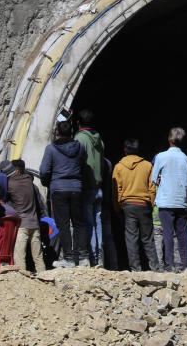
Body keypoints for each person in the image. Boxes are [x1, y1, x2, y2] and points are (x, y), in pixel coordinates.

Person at [39, 120, 88, 267]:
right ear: (72, 133)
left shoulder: (51, 149)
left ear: (57, 132)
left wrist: (48, 182)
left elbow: (44, 171)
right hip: (76, 188)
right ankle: (84, 257)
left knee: (63, 224)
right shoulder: (80, 147)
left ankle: (69, 258)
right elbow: (84, 165)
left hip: (59, 189)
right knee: (79, 223)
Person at [112, 138, 160, 272]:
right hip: (144, 205)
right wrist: (150, 203)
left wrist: (117, 208)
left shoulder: (119, 167)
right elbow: (152, 188)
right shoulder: (147, 165)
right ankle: (155, 268)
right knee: (148, 239)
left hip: (127, 206)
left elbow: (116, 190)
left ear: (125, 150)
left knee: (131, 238)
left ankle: (135, 269)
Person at [151, 127, 187, 272]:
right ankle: (184, 265)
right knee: (181, 235)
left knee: (167, 234)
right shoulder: (186, 158)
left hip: (165, 201)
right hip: (180, 202)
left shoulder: (161, 156)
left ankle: (169, 266)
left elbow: (153, 179)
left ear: (169, 139)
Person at [74, 108, 105, 266]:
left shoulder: (80, 138)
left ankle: (91, 256)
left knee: (87, 222)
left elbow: (77, 161)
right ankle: (99, 257)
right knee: (97, 222)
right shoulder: (99, 139)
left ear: (78, 122)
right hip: (98, 186)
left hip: (86, 186)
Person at [6, 159, 46, 272]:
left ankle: (22, 284)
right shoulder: (30, 181)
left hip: (22, 226)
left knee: (20, 259)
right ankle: (45, 280)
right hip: (34, 224)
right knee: (38, 257)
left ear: (17, 171)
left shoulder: (11, 184)